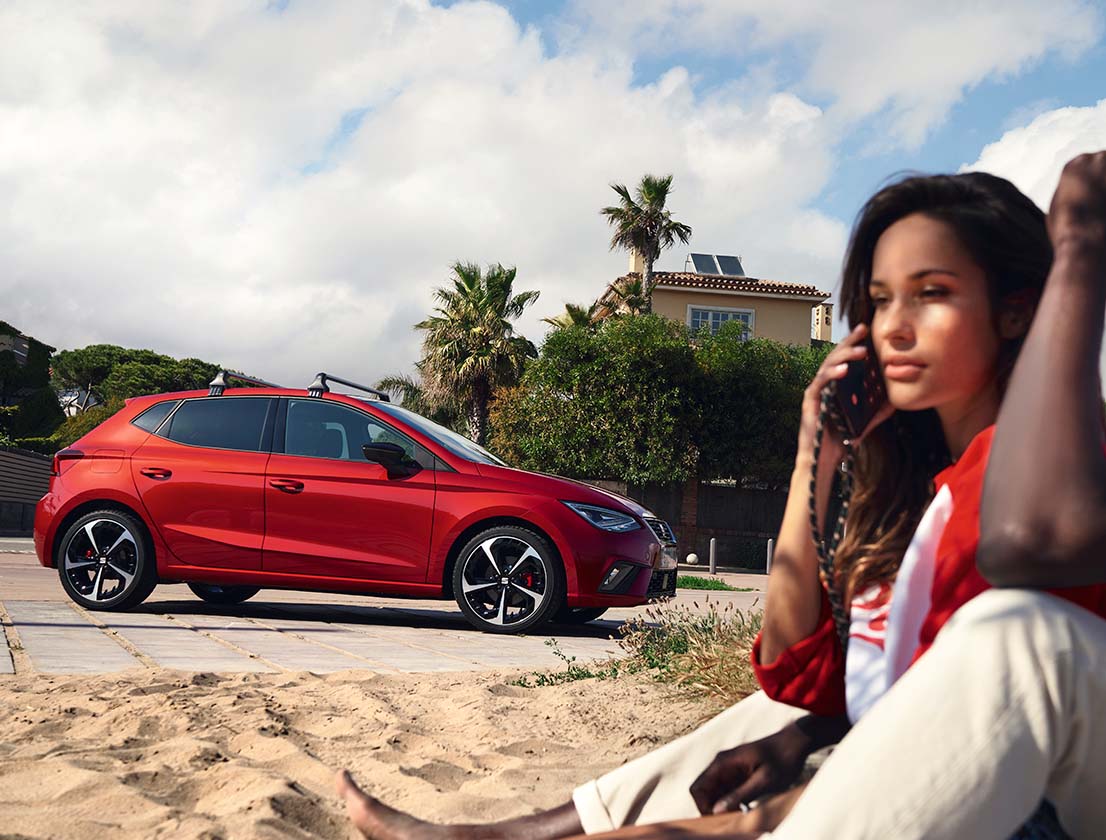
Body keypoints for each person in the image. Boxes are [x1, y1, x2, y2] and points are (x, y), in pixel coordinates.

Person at [335, 152, 1106, 839]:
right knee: (779, 715)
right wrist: (816, 448)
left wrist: (1078, 255)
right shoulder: (924, 493)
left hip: (1056, 803)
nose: (892, 328)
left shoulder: (1061, 469)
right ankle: (521, 834)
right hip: (967, 785)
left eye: (930, 294)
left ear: (1014, 308)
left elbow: (1033, 547)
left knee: (1019, 625)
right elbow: (791, 671)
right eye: (876, 302)